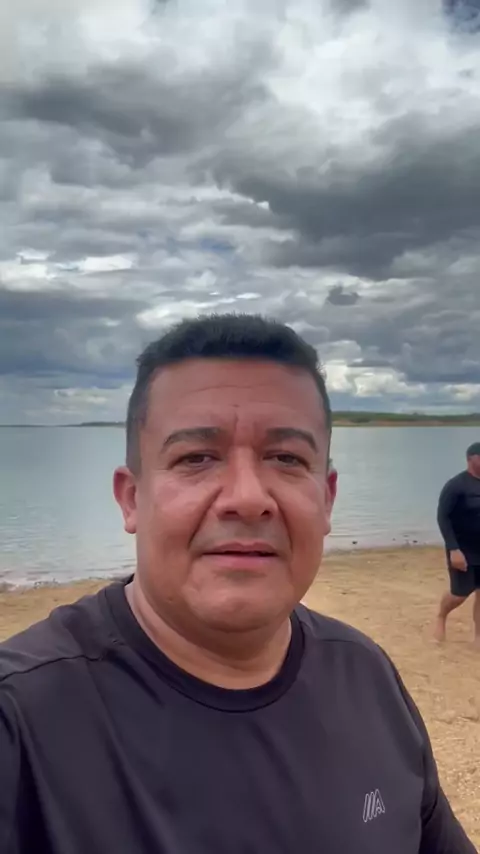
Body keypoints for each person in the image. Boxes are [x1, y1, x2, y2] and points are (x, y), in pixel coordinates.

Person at [0, 314, 475, 854]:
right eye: (196, 458)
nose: (247, 498)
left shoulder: (365, 676)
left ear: (327, 499)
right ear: (132, 499)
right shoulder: (21, 722)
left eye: (286, 458)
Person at [434, 442, 480, 647]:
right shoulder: (456, 485)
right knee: (459, 594)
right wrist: (453, 549)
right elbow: (443, 517)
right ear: (471, 458)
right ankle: (441, 616)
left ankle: (479, 637)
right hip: (463, 549)